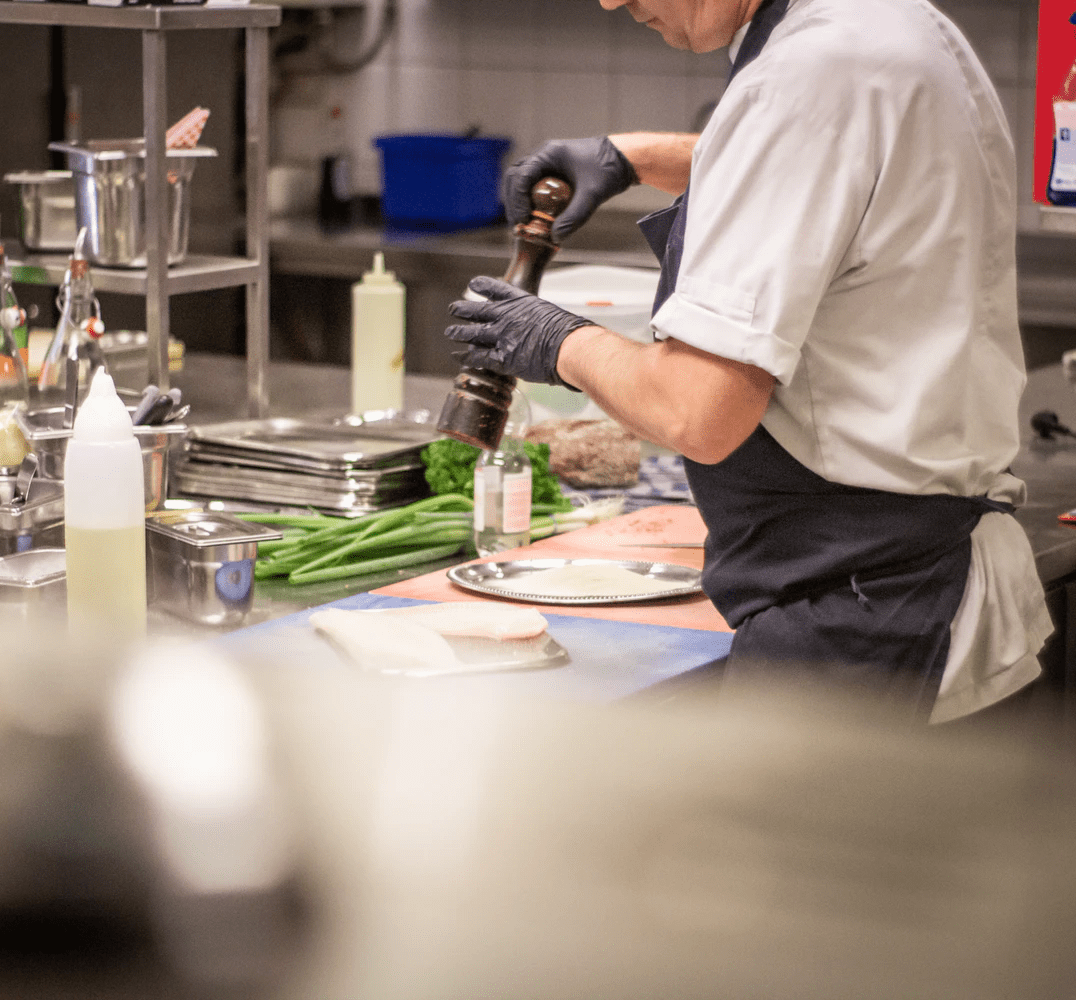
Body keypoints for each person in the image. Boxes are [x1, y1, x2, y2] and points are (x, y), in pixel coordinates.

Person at [444, 0, 1053, 724]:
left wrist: (559, 342)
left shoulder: (808, 75)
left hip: (856, 620)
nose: (609, 0)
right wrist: (634, 159)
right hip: (914, 586)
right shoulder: (886, 23)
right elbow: (817, 163)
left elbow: (697, 412)